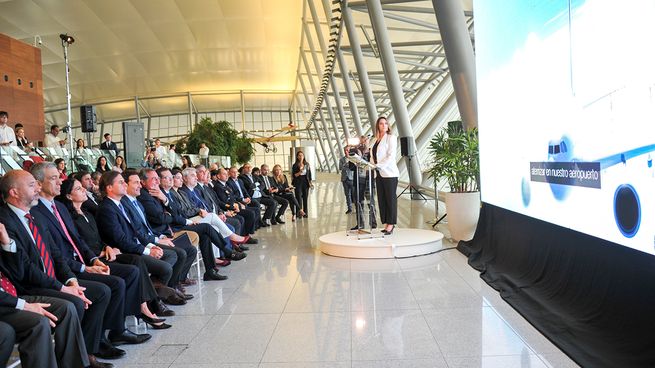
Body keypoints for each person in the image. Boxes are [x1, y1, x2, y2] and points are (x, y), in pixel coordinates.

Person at [57, 178, 171, 329]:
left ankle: (147, 305)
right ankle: (145, 306)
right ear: (69, 196)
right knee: (134, 265)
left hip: (105, 253)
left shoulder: (87, 214)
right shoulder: (71, 218)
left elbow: (98, 238)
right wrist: (98, 254)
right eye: (78, 189)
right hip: (93, 259)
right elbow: (80, 243)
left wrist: (107, 247)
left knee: (137, 262)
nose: (84, 189)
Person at [371, 117, 399, 235]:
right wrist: (372, 166)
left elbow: (391, 156)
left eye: (385, 123)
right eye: (381, 124)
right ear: (378, 126)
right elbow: (373, 156)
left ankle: (391, 224)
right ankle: (386, 222)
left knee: (390, 199)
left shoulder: (391, 138)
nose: (383, 125)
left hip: (389, 173)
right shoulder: (375, 140)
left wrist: (379, 166)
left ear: (388, 126)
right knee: (382, 199)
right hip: (378, 174)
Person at [291, 150, 312, 217]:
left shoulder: (307, 164)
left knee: (305, 198)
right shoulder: (295, 165)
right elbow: (294, 175)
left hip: (305, 182)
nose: (301, 157)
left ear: (304, 156)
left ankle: (305, 213)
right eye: (299, 155)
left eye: (302, 155)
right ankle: (299, 213)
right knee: (298, 198)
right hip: (298, 182)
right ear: (297, 157)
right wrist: (300, 171)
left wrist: (310, 182)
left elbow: (309, 174)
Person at [339, 146, 354, 214]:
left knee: (354, 194)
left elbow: (353, 168)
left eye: (347, 150)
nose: (346, 151)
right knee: (347, 195)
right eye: (345, 150)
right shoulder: (341, 159)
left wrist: (346, 165)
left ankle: (357, 208)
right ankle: (349, 208)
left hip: (352, 178)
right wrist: (346, 164)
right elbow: (340, 168)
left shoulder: (353, 159)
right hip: (344, 179)